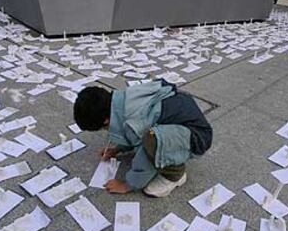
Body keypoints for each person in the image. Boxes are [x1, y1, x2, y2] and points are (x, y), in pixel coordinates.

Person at [73, 80, 213, 197]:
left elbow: (144, 150)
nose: (106, 130)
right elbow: (134, 130)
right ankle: (173, 156)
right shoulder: (125, 100)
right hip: (185, 126)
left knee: (152, 139)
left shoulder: (133, 119)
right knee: (149, 135)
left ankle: (175, 175)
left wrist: (127, 185)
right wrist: (117, 149)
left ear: (105, 120)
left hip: (197, 138)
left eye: (104, 128)